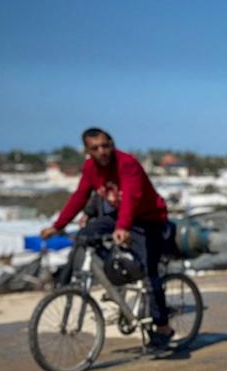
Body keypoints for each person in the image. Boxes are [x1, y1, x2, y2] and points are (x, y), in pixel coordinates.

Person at [40, 127, 174, 350]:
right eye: (95, 148)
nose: (102, 151)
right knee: (86, 234)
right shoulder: (90, 168)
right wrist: (57, 226)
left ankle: (163, 328)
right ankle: (115, 283)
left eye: (105, 146)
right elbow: (80, 196)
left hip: (147, 218)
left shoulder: (126, 163)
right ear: (87, 151)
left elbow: (131, 196)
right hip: (118, 215)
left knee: (150, 277)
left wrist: (123, 227)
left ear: (112, 144)